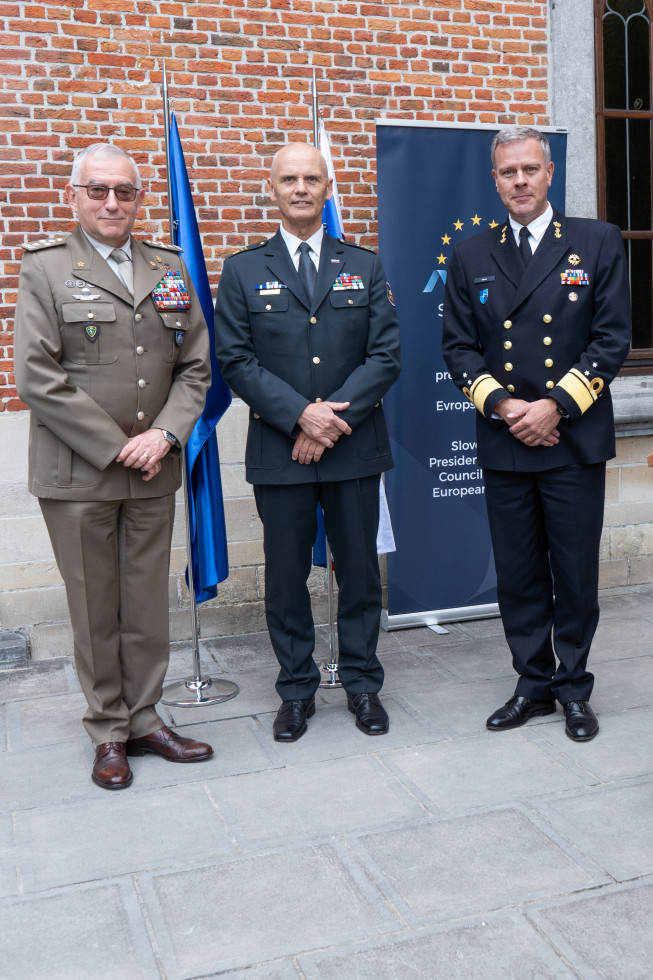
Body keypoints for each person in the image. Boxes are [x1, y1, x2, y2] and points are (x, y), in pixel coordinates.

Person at [14, 143, 214, 789]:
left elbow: (195, 367)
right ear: (73, 196)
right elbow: (36, 377)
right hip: (79, 474)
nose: (111, 202)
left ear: (138, 198)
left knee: (145, 602)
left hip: (153, 466)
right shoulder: (46, 269)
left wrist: (164, 435)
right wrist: (116, 443)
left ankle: (147, 717)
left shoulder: (169, 266)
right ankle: (107, 729)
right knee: (95, 607)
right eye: (97, 190)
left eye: (124, 191)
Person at [442, 126, 631, 742]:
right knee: (519, 571)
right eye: (507, 173)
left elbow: (611, 339)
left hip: (571, 439)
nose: (519, 181)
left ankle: (573, 688)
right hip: (505, 438)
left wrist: (554, 406)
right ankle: (532, 683)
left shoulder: (596, 241)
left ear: (551, 173)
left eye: (529, 169)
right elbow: (459, 348)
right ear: (494, 180)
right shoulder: (471, 253)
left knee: (574, 572)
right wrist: (502, 406)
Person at [214, 141, 401, 742]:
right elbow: (236, 361)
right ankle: (295, 690)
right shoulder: (243, 269)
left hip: (351, 447)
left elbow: (386, 356)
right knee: (285, 576)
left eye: (312, 178)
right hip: (280, 449)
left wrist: (326, 424)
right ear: (271, 188)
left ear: (327, 189)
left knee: (360, 575)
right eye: (288, 178)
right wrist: (301, 417)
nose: (300, 188)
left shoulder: (363, 264)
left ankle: (363, 685)